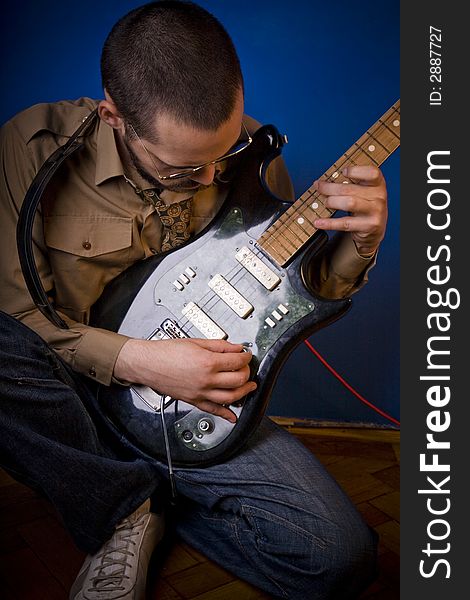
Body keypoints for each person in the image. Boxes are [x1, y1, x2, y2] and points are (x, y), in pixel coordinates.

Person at [0, 1, 389, 598]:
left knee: (338, 559)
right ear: (113, 117)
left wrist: (359, 245)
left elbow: (275, 304)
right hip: (73, 401)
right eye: (184, 169)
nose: (211, 179)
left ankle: (140, 497)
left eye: (222, 156)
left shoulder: (252, 155)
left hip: (188, 413)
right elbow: (20, 323)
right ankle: (120, 506)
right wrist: (139, 360)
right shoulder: (32, 150)